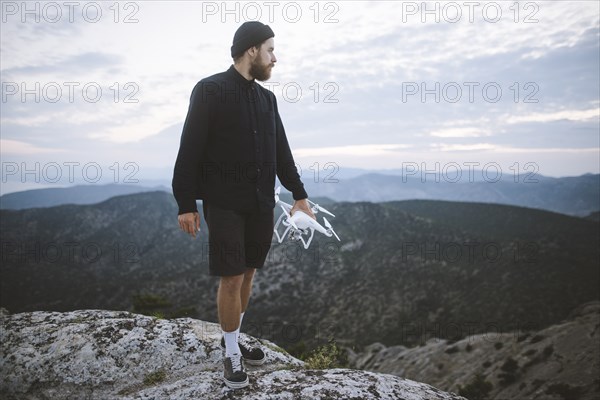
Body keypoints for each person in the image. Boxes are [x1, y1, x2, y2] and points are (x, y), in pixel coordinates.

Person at [172, 21, 315, 389]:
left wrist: (300, 195)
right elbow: (189, 148)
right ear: (251, 50)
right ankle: (231, 353)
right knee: (232, 275)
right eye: (270, 50)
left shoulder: (267, 99)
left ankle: (231, 336)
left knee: (249, 272)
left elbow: (281, 152)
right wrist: (185, 202)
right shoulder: (210, 90)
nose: (275, 58)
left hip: (260, 203)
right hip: (223, 203)